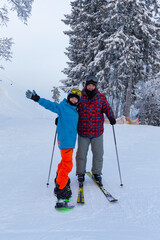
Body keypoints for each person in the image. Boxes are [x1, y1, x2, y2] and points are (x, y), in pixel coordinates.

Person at [25, 88, 81, 203]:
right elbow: (49, 105)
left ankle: (59, 177)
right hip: (65, 141)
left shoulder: (76, 110)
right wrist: (37, 98)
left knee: (64, 162)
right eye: (72, 97)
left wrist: (60, 121)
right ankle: (60, 188)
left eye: (76, 98)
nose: (74, 100)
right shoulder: (62, 107)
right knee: (68, 165)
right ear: (68, 97)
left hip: (70, 142)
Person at [76, 75, 116, 186]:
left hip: (97, 131)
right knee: (81, 154)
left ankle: (97, 173)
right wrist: (62, 117)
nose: (90, 87)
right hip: (83, 131)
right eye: (88, 85)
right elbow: (71, 107)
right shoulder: (80, 96)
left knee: (98, 154)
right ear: (86, 85)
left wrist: (111, 117)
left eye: (92, 85)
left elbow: (107, 108)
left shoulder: (101, 97)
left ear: (95, 86)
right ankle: (80, 173)